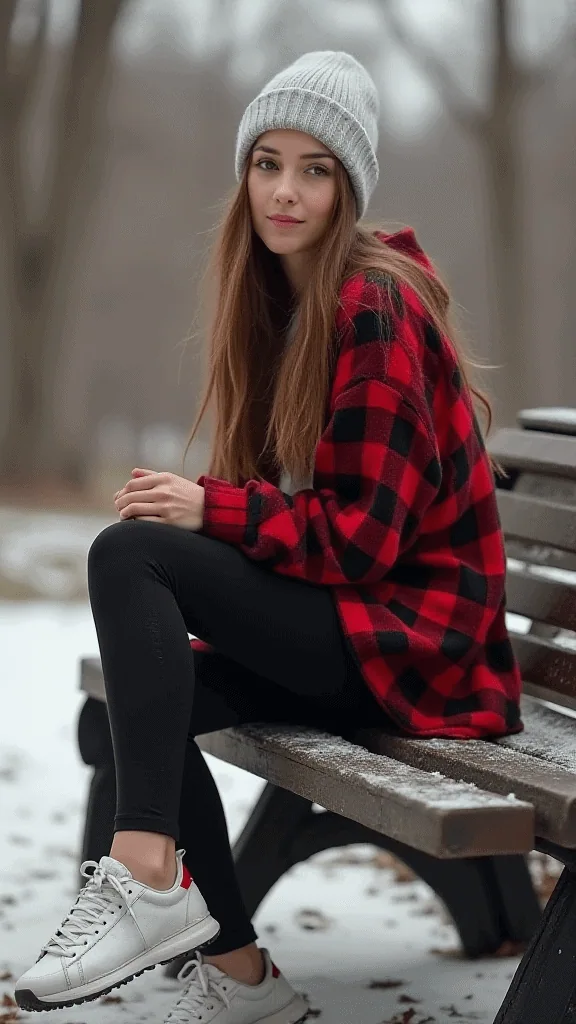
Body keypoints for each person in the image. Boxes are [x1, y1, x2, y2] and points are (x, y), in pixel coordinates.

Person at [15, 50, 523, 1023]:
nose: (285, 191)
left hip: (416, 650)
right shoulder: (282, 303)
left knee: (130, 553)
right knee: (144, 692)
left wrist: (209, 511)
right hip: (360, 630)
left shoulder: (376, 304)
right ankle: (242, 974)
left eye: (315, 169)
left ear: (350, 186)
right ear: (243, 170)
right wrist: (221, 513)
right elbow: (300, 524)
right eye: (267, 163)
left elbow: (363, 540)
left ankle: (145, 874)